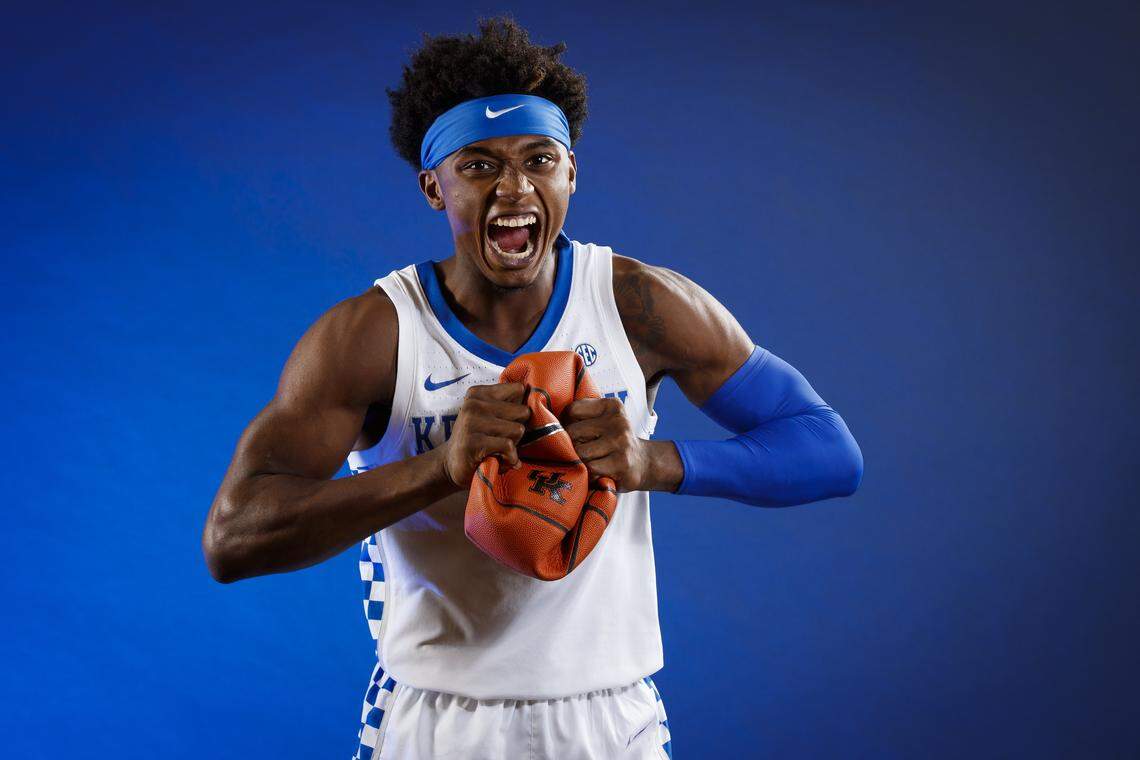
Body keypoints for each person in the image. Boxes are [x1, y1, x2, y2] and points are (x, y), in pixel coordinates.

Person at [202, 16, 863, 760]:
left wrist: (654, 462)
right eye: (478, 164)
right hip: (439, 721)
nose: (514, 186)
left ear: (570, 172)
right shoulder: (374, 335)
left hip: (608, 720)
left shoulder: (638, 306)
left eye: (538, 159)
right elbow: (233, 539)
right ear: (434, 187)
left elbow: (828, 453)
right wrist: (439, 467)